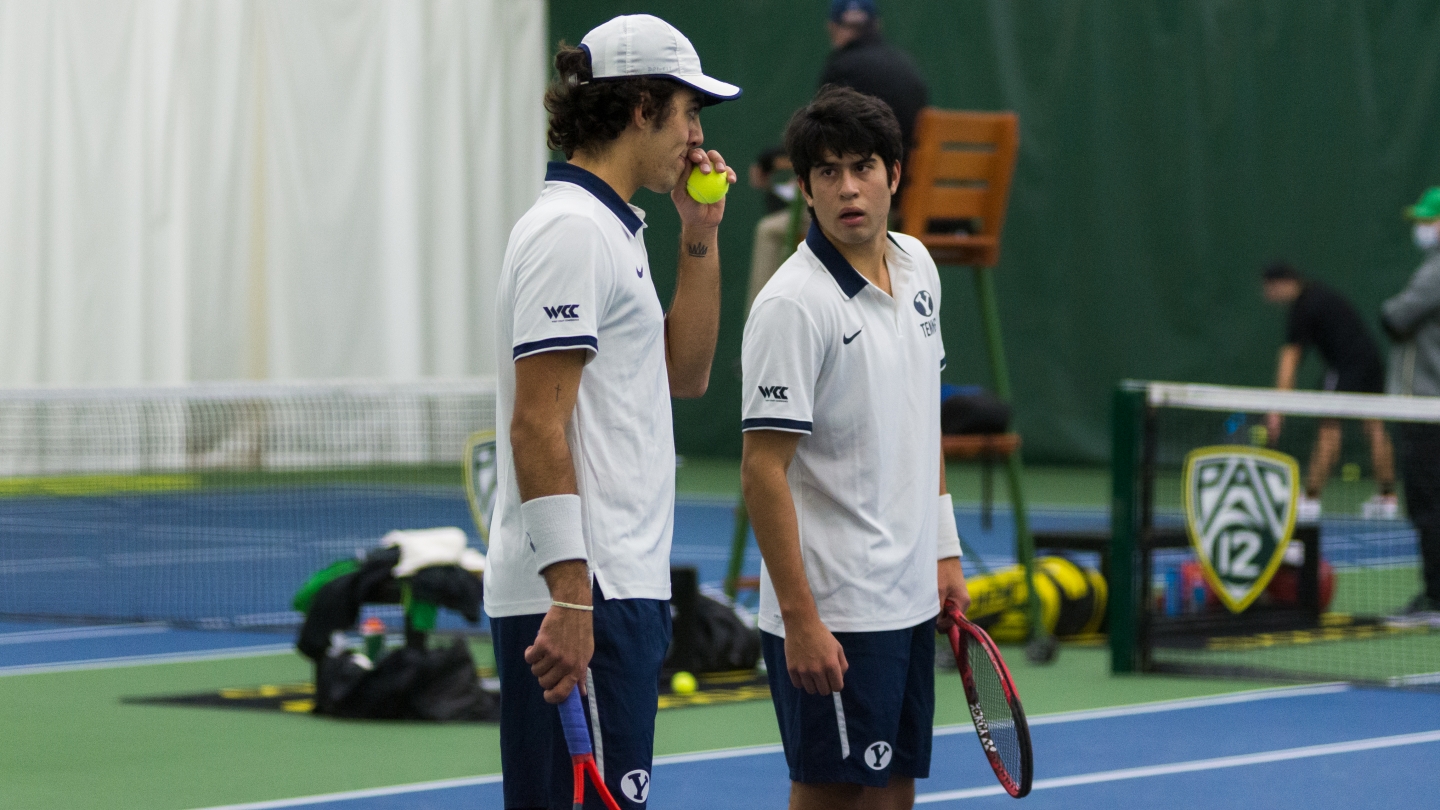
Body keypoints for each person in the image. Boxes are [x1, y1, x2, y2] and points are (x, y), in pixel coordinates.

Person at [484, 14, 739, 808]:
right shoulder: (570, 232)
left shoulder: (612, 229)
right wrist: (569, 594)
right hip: (579, 594)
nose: (696, 138)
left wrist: (699, 234)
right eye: (687, 111)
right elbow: (537, 423)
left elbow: (685, 373)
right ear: (640, 108)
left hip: (621, 589)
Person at [740, 85, 970, 810]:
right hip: (834, 608)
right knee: (831, 795)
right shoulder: (790, 306)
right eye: (828, 172)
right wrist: (802, 620)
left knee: (894, 790)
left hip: (905, 599)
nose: (848, 188)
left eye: (863, 167)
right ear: (804, 189)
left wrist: (944, 549)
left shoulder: (919, 268)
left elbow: (920, 415)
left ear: (894, 174)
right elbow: (762, 470)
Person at [744, 0, 929, 313]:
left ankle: (758, 340)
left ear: (833, 28)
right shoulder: (911, 71)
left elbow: (819, 138)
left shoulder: (841, 67)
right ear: (877, 26)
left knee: (770, 232)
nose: (848, 184)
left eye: (862, 168)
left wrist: (767, 160)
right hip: (915, 207)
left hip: (883, 217)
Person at [1260, 261, 1397, 521]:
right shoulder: (1320, 295)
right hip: (1371, 361)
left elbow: (1290, 360)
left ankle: (1310, 499)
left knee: (1329, 429)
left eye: (1270, 289)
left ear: (1282, 284)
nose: (1268, 296)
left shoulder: (1304, 307)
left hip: (1346, 368)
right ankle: (1387, 497)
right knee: (1375, 428)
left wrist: (1276, 409)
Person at [1381, 186, 1440, 616]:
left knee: (1429, 504)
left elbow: (1395, 317)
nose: (1421, 228)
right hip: (1423, 408)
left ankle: (1436, 596)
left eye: (1428, 219)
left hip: (1426, 409)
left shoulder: (1435, 271)